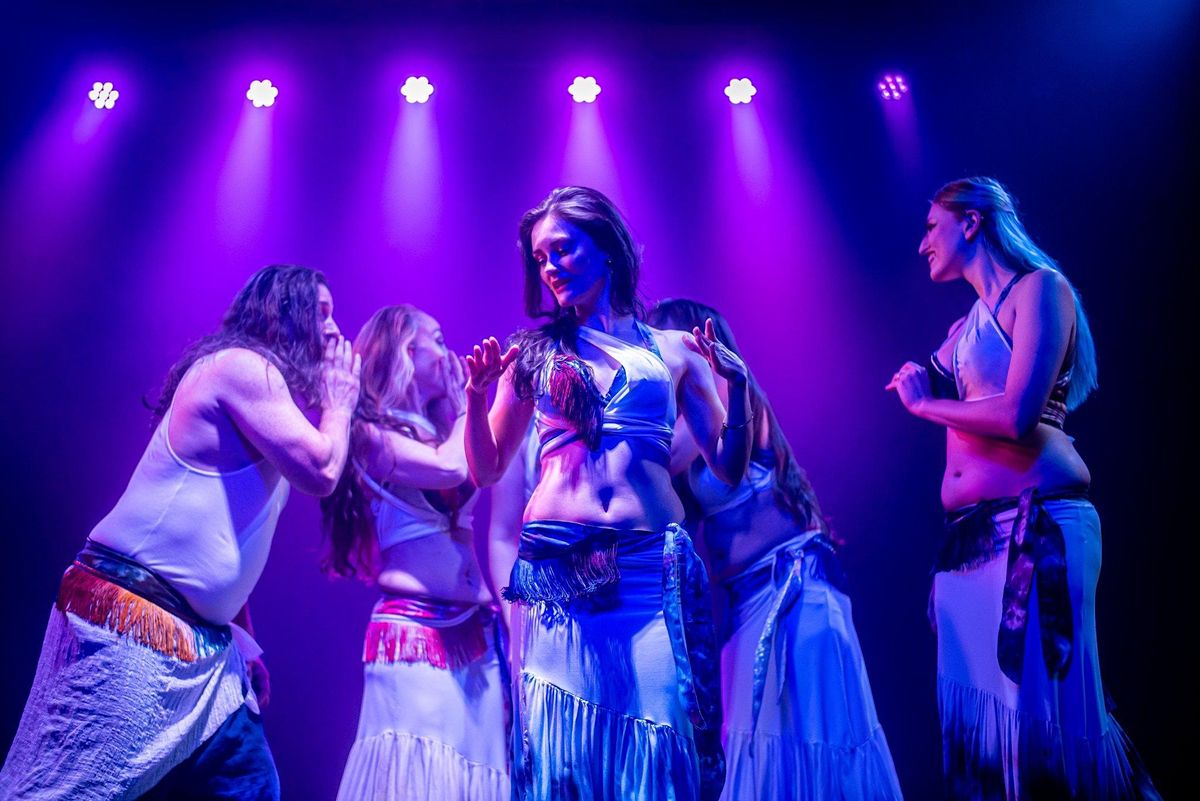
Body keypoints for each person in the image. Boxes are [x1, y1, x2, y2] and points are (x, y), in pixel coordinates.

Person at [0, 264, 360, 801]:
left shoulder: (268, 401)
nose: (334, 332)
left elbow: (226, 531)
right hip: (132, 616)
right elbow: (323, 471)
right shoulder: (241, 367)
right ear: (285, 315)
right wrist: (340, 403)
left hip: (204, 646)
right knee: (72, 787)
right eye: (322, 314)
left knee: (249, 784)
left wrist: (245, 643)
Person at [464, 186, 752, 800]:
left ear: (608, 249)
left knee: (658, 739)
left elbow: (726, 469)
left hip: (648, 577)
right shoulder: (532, 356)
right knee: (565, 754)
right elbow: (487, 470)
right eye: (540, 258)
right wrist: (473, 399)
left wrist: (741, 389)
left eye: (562, 249)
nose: (550, 267)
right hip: (557, 580)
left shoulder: (675, 353)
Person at [887, 177, 1159, 800]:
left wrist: (927, 408)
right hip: (969, 543)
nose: (922, 244)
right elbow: (929, 373)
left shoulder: (1040, 290)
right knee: (982, 731)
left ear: (972, 222)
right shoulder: (964, 326)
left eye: (932, 227)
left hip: (1034, 530)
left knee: (1038, 713)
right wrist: (915, 379)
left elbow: (1015, 416)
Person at [651, 299, 903, 801]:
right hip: (744, 605)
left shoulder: (732, 403)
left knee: (812, 732)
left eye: (659, 341)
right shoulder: (688, 411)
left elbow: (669, 452)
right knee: (755, 742)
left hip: (793, 592)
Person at [322, 305, 509, 801]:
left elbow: (481, 465)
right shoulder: (366, 434)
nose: (448, 352)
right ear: (406, 350)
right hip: (413, 633)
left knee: (480, 771)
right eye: (437, 338)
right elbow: (449, 471)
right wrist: (468, 402)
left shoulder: (443, 429)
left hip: (477, 632)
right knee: (417, 777)